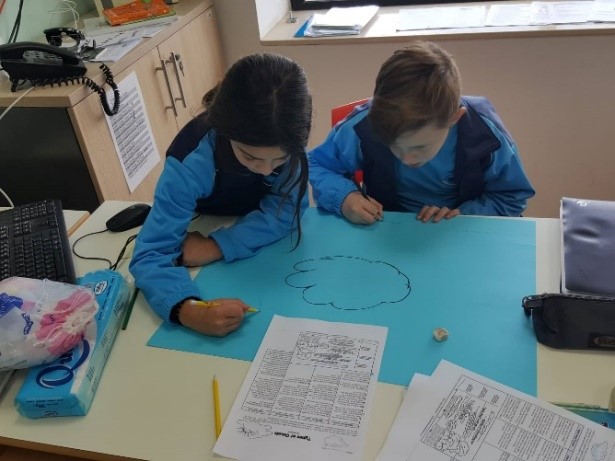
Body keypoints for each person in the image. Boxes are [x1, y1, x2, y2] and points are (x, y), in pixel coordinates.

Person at [129, 53, 312, 337]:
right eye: (250, 157)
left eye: (278, 161)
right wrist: (186, 309)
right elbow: (151, 253)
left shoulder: (290, 142)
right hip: (205, 219)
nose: (265, 171)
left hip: (245, 237)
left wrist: (219, 245)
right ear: (225, 132)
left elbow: (287, 211)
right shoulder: (190, 160)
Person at [308, 41, 535, 225]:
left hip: (457, 236)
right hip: (386, 229)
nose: (406, 159)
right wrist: (345, 198)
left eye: (420, 148)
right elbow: (318, 164)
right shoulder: (365, 125)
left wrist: (465, 216)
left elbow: (511, 196)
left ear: (454, 118)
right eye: (393, 145)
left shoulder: (485, 134)